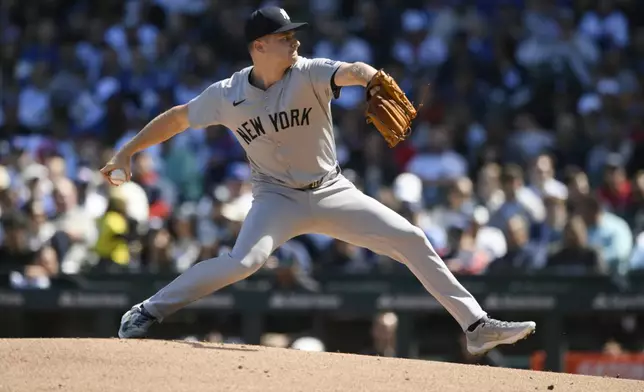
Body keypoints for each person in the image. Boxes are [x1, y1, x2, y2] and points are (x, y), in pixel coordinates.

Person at [101, 7, 536, 356]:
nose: (295, 41)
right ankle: (147, 311)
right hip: (275, 198)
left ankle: (476, 326)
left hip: (330, 190)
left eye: (294, 35)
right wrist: (127, 151)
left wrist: (369, 78)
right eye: (285, 37)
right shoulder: (227, 94)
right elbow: (178, 118)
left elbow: (352, 69)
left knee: (409, 237)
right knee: (243, 262)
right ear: (259, 46)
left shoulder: (308, 71)